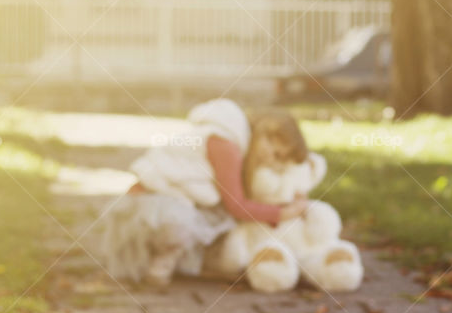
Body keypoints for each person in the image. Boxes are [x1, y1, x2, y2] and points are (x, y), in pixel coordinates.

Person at [100, 99, 310, 287]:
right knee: (204, 223)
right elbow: (236, 206)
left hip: (151, 201)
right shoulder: (227, 146)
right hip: (153, 205)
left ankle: (164, 259)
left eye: (278, 158)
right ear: (265, 130)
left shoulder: (221, 135)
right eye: (274, 150)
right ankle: (162, 260)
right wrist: (284, 213)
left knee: (208, 221)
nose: (270, 159)